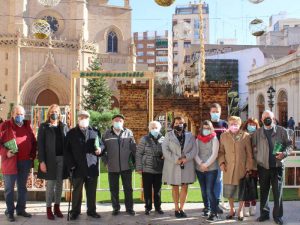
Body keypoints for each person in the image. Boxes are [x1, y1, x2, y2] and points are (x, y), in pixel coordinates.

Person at [252, 110, 292, 225]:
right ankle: (264, 214)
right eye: (264, 117)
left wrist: (284, 153)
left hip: (277, 167)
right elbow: (253, 147)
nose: (267, 119)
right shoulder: (257, 133)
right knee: (263, 192)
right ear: (261, 120)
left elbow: (289, 145)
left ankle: (278, 216)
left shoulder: (282, 131)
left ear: (273, 118)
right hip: (263, 167)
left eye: (269, 117)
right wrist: (258, 157)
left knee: (277, 192)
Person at [0, 105, 37, 222]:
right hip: (10, 162)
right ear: (12, 114)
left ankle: (21, 209)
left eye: (21, 114)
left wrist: (32, 156)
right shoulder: (5, 126)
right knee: (9, 189)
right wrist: (6, 152)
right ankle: (10, 212)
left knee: (22, 187)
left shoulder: (27, 126)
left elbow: (33, 142)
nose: (20, 116)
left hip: (24, 162)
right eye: (17, 114)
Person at [65, 110, 102, 220]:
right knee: (77, 191)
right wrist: (71, 165)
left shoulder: (95, 131)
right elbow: (67, 151)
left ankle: (91, 211)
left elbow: (101, 145)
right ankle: (75, 211)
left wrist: (100, 149)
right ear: (78, 119)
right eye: (81, 117)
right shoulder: (71, 133)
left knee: (91, 191)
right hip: (77, 167)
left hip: (91, 166)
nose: (83, 119)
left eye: (85, 117)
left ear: (89, 119)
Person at [218, 116, 253, 221]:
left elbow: (249, 154)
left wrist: (248, 168)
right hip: (228, 169)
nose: (233, 125)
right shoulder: (223, 136)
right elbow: (221, 152)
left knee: (241, 191)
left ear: (240, 124)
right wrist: (222, 163)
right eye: (231, 123)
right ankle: (232, 210)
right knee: (230, 191)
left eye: (236, 124)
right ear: (228, 124)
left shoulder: (245, 136)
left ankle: (240, 211)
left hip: (241, 169)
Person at [37, 104, 68, 220]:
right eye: (52, 111)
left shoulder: (63, 126)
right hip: (49, 160)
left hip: (62, 159)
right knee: (50, 185)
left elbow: (67, 143)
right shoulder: (44, 127)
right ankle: (48, 209)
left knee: (59, 184)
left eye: (56, 111)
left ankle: (57, 207)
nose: (54, 113)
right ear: (49, 113)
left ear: (59, 113)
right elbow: (40, 145)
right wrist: (42, 161)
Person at [101, 114, 136, 216]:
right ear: (112, 122)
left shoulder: (128, 132)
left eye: (120, 120)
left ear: (123, 122)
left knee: (128, 189)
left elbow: (134, 149)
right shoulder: (107, 134)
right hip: (112, 167)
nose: (118, 122)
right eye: (116, 120)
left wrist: (135, 163)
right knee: (114, 189)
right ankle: (115, 208)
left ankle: (129, 208)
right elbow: (103, 150)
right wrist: (105, 162)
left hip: (126, 166)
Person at [162, 116, 197, 218]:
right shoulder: (168, 135)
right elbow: (165, 150)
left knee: (185, 187)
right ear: (173, 124)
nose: (178, 125)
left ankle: (182, 208)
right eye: (176, 123)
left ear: (184, 124)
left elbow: (194, 149)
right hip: (173, 164)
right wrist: (176, 159)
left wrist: (186, 158)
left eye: (180, 123)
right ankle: (176, 209)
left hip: (187, 164)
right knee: (175, 187)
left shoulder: (190, 135)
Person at [136, 121, 164, 215]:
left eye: (156, 127)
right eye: (152, 127)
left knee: (158, 190)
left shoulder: (163, 139)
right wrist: (139, 167)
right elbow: (139, 153)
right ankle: (147, 207)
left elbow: (166, 153)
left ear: (160, 128)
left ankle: (158, 207)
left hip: (159, 168)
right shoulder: (144, 139)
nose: (154, 129)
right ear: (149, 129)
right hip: (147, 168)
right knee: (147, 189)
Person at [195, 120, 219, 222]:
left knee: (210, 190)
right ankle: (206, 208)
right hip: (199, 168)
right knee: (203, 190)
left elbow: (214, 154)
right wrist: (201, 163)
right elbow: (195, 153)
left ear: (211, 128)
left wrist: (206, 165)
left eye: (208, 128)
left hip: (211, 168)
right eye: (204, 128)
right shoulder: (197, 139)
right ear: (201, 128)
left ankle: (214, 213)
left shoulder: (214, 139)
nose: (206, 130)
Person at [209, 103, 228, 214]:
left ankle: (216, 204)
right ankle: (208, 205)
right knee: (208, 182)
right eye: (213, 111)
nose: (215, 113)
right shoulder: (207, 124)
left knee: (218, 180)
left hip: (220, 156)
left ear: (220, 112)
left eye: (217, 111)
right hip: (208, 157)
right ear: (210, 112)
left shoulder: (224, 124)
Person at [241, 117, 260, 217]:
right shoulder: (243, 135)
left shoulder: (259, 135)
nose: (252, 126)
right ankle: (246, 207)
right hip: (245, 165)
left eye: (254, 125)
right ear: (246, 125)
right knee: (246, 187)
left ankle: (253, 205)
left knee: (254, 187)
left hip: (256, 166)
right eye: (250, 124)